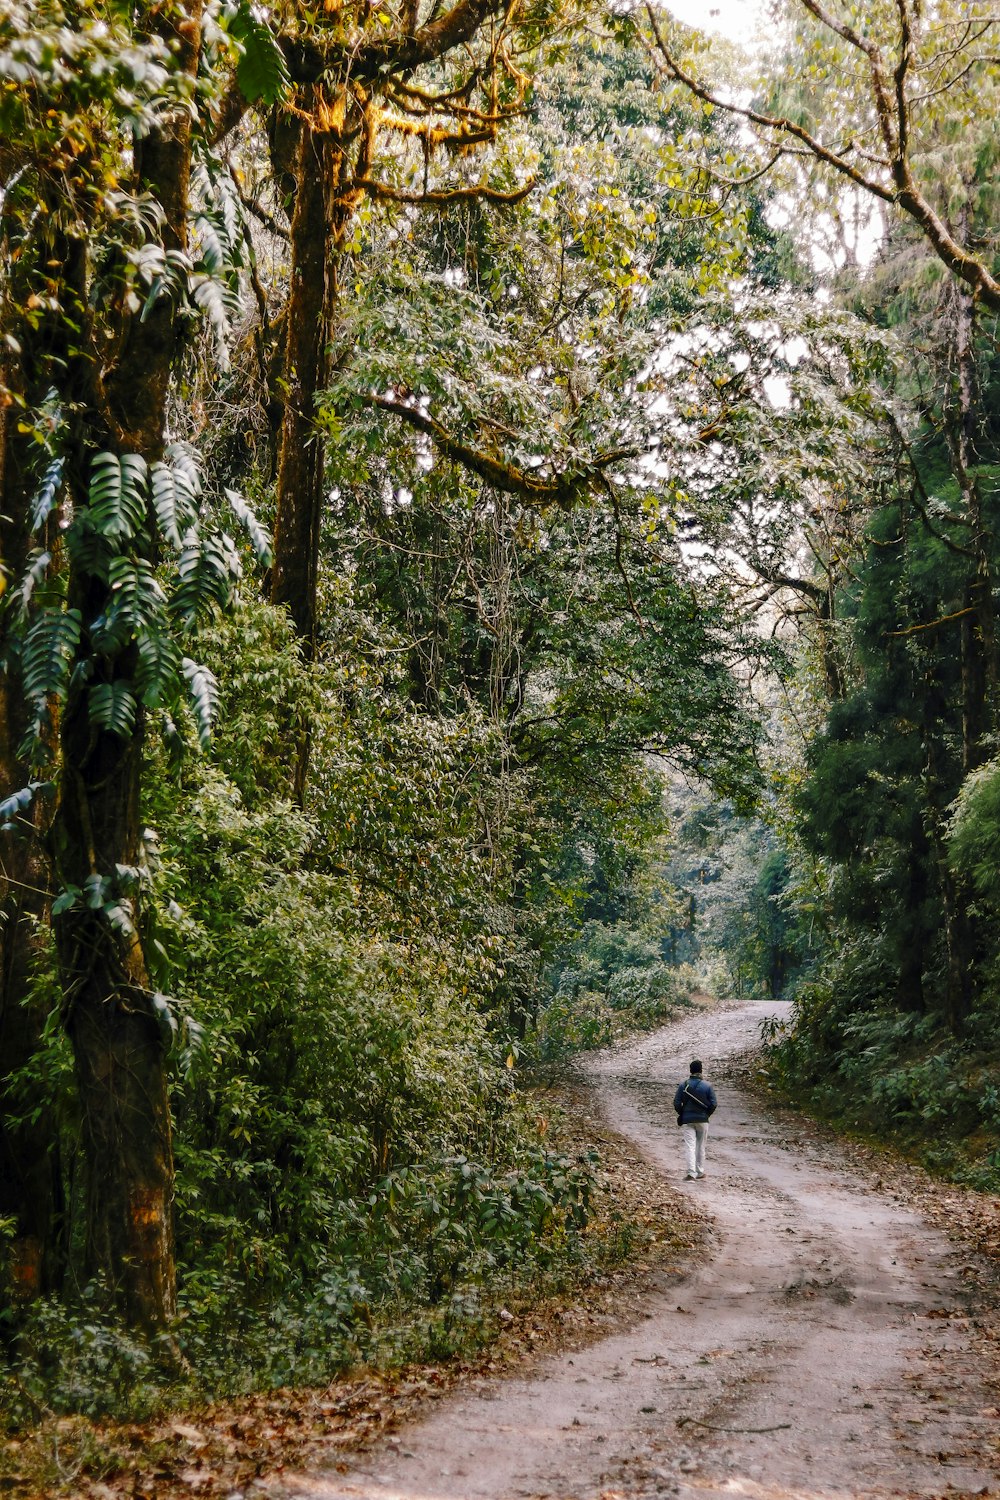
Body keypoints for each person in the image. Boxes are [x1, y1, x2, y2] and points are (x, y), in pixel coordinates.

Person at [673, 1059, 716, 1180]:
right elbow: (714, 1103)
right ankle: (700, 1171)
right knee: (701, 1146)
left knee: (690, 1146)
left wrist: (682, 1113)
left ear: (690, 1070)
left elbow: (676, 1103)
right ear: (701, 1071)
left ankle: (691, 1172)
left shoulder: (683, 1085)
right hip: (703, 1120)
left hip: (688, 1120)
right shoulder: (708, 1086)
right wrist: (706, 1114)